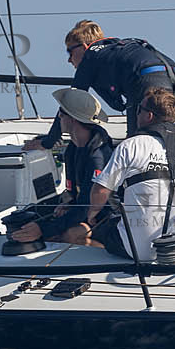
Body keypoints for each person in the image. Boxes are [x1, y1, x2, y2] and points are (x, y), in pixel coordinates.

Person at [22, 20, 175, 151]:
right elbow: (116, 103)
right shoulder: (112, 50)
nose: (69, 59)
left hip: (144, 80)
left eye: (69, 52)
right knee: (164, 132)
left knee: (135, 143)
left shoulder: (90, 58)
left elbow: (69, 104)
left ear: (84, 47)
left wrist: (48, 142)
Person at [85, 87, 175, 263]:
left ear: (148, 116)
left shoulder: (130, 145)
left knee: (100, 228)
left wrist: (92, 214)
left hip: (136, 250)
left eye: (138, 110)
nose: (136, 115)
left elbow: (100, 191)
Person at [7, 88, 115, 247]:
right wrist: (66, 204)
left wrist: (42, 229)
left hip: (107, 220)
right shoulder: (73, 148)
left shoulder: (97, 158)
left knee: (71, 235)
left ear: (72, 119)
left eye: (61, 113)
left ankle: (107, 254)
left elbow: (87, 208)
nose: (58, 117)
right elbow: (74, 196)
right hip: (87, 214)